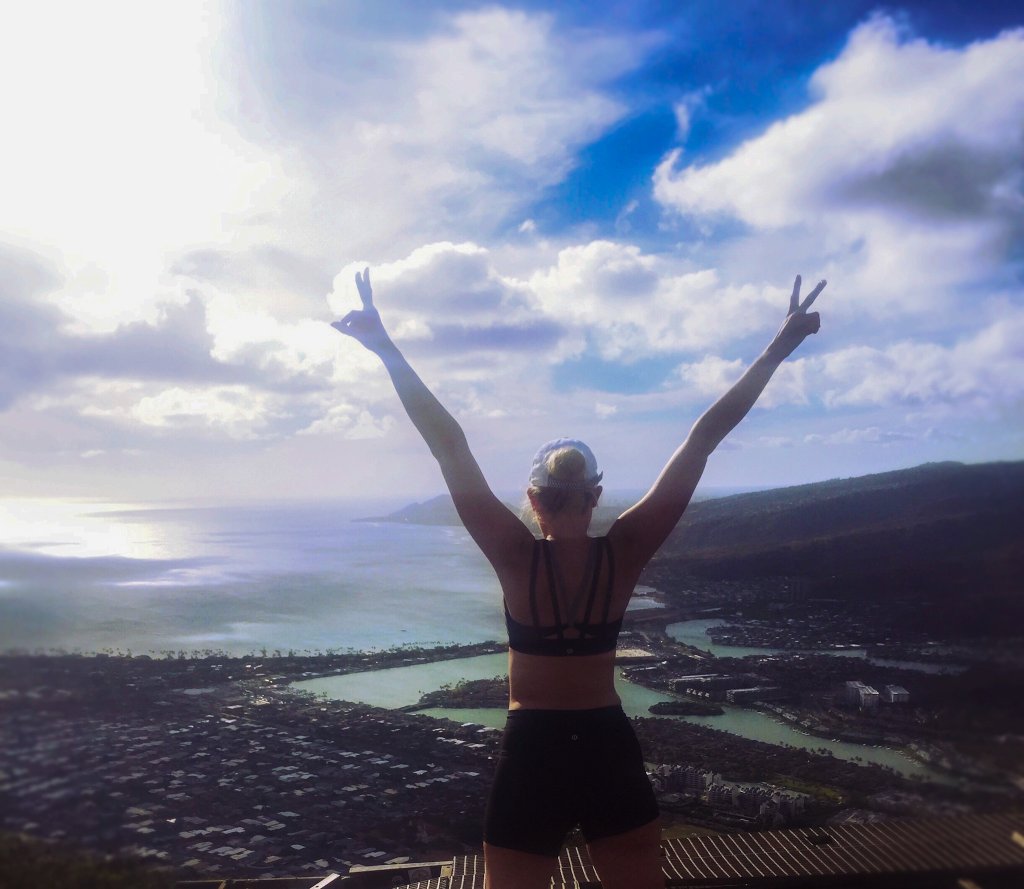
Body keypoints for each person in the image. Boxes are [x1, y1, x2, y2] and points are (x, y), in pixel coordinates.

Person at [332, 268, 826, 889]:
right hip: (604, 743)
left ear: (533, 500)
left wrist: (385, 348)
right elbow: (703, 439)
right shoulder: (623, 554)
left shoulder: (515, 557)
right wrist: (778, 349)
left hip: (531, 747)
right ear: (594, 497)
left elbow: (449, 445)